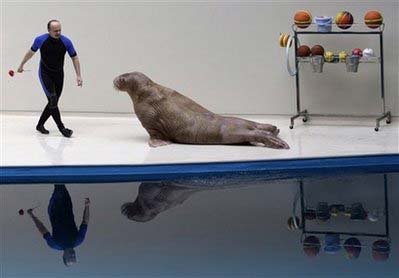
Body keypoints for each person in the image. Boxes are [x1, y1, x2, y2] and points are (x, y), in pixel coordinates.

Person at [18, 19, 82, 137]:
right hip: (45, 73)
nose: (58, 32)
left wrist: (78, 75)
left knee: (53, 101)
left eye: (59, 30)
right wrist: (22, 64)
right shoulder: (40, 40)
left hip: (59, 74)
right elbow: (30, 53)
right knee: (52, 99)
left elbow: (75, 58)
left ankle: (40, 125)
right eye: (55, 30)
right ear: (49, 30)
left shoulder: (66, 41)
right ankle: (62, 129)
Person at [28, 184, 90, 267]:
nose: (73, 255)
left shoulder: (54, 245)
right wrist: (87, 206)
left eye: (70, 257)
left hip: (54, 209)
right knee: (61, 185)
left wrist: (32, 216)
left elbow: (42, 229)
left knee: (59, 186)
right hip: (67, 205)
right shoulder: (79, 240)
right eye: (74, 256)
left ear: (64, 256)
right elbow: (85, 222)